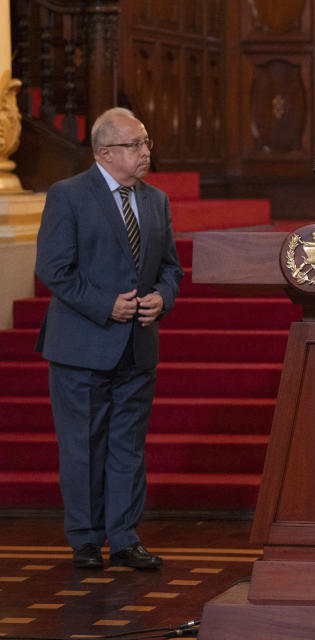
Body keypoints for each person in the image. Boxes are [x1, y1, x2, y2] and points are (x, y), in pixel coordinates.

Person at [35, 107, 183, 570]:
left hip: (137, 346)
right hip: (82, 344)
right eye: (135, 145)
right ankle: (84, 538)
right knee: (82, 446)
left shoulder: (156, 200)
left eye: (146, 144)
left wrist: (162, 296)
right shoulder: (69, 196)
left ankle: (123, 537)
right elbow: (54, 269)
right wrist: (106, 305)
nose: (145, 152)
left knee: (127, 447)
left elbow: (171, 268)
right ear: (104, 152)